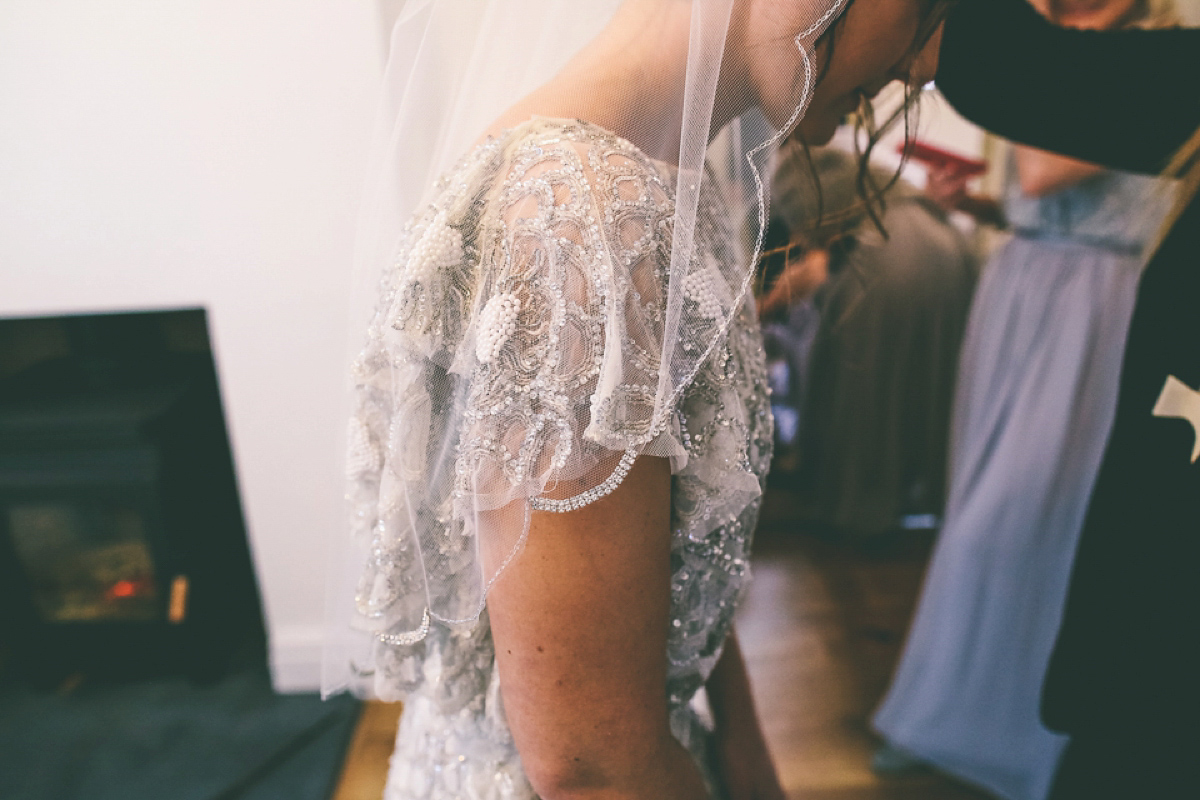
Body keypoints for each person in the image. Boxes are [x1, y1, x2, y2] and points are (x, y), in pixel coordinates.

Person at [323, 1, 952, 798]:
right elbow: (591, 770)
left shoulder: (658, 178)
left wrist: (750, 765)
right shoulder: (577, 218)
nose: (927, 60)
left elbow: (665, 566)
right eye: (928, 5)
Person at [872, 1, 1181, 797]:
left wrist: (1064, 41)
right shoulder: (1096, 70)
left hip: (1091, 302)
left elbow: (1045, 165)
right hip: (1025, 281)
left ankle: (1013, 733)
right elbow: (1031, 194)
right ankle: (941, 710)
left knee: (1025, 515)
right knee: (972, 504)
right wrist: (976, 205)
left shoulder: (1141, 63)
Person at [775, 146, 977, 538]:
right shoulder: (902, 206)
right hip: (939, 266)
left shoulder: (879, 231)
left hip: (894, 274)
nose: (801, 235)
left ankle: (857, 508)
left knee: (864, 393)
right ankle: (914, 495)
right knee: (926, 394)